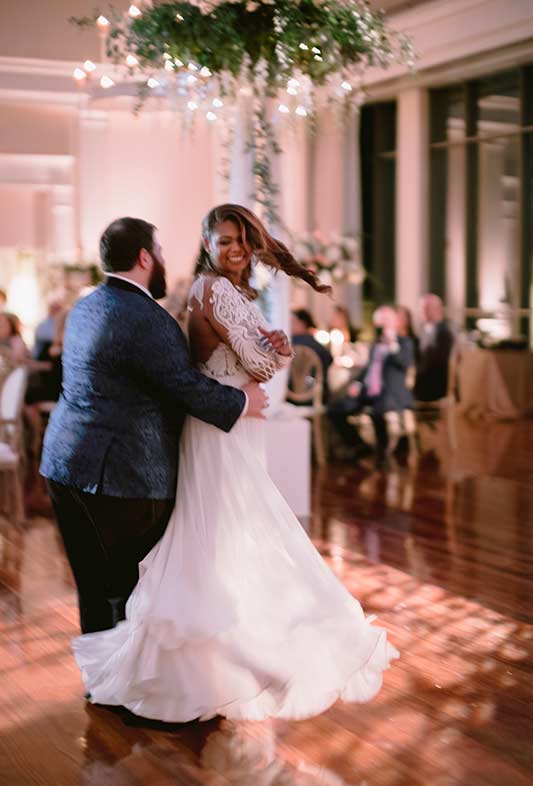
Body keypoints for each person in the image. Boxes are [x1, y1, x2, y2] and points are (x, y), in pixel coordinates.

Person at [72, 204, 398, 723]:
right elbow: (262, 363)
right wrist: (275, 353)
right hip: (223, 426)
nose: (236, 249)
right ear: (207, 244)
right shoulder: (215, 290)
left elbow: (260, 356)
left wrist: (273, 349)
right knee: (229, 535)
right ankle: (220, 659)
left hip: (230, 424)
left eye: (242, 240)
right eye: (224, 241)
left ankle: (221, 656)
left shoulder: (222, 292)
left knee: (224, 538)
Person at [41, 217, 269, 635]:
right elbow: (182, 386)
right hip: (121, 476)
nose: (164, 260)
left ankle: (102, 681)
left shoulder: (84, 307)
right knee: (134, 586)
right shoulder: (148, 317)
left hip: (63, 464)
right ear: (145, 257)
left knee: (92, 584)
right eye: (160, 253)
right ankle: (130, 687)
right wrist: (242, 400)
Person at [328, 306, 415, 468]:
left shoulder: (405, 343)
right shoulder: (375, 344)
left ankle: (382, 454)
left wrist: (393, 345)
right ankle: (360, 446)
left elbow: (404, 363)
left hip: (390, 393)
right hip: (368, 390)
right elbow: (367, 369)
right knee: (336, 410)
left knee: (378, 411)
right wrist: (357, 384)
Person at [414, 294, 454, 402]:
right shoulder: (424, 329)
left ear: (437, 309)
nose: (422, 311)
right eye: (421, 308)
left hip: (434, 383)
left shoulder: (444, 332)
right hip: (422, 378)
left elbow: (439, 361)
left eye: (426, 308)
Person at [290, 308, 333, 403]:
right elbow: (329, 360)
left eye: (292, 321)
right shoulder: (316, 345)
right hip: (314, 397)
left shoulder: (288, 345)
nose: (289, 325)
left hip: (289, 396)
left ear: (302, 323)